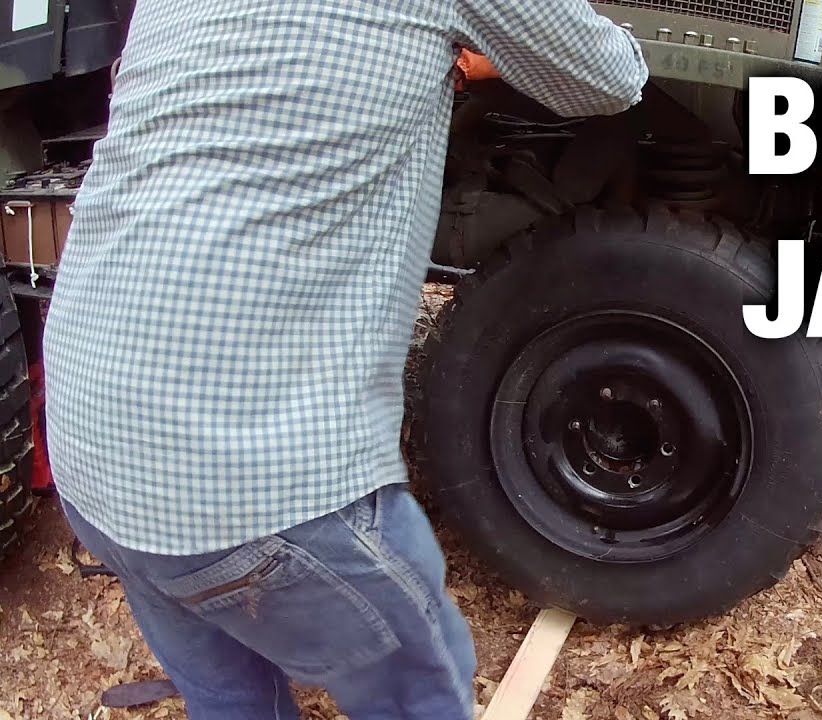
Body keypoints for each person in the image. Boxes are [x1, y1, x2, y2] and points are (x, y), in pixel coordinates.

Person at [41, 1, 649, 718]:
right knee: (421, 692)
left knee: (230, 698)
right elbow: (609, 76)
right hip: (240, 485)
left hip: (90, 437)